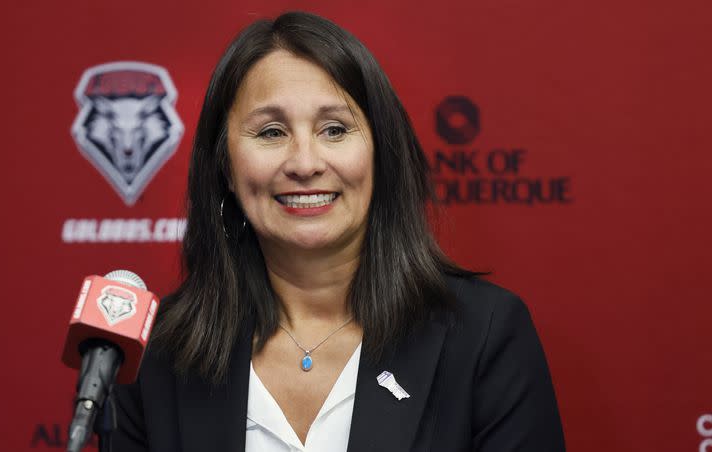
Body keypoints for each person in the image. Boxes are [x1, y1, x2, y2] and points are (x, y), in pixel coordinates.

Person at [102, 11, 565, 452]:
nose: (305, 164)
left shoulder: (483, 334)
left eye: (335, 129)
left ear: (381, 152)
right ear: (223, 164)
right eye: (270, 133)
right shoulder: (154, 353)